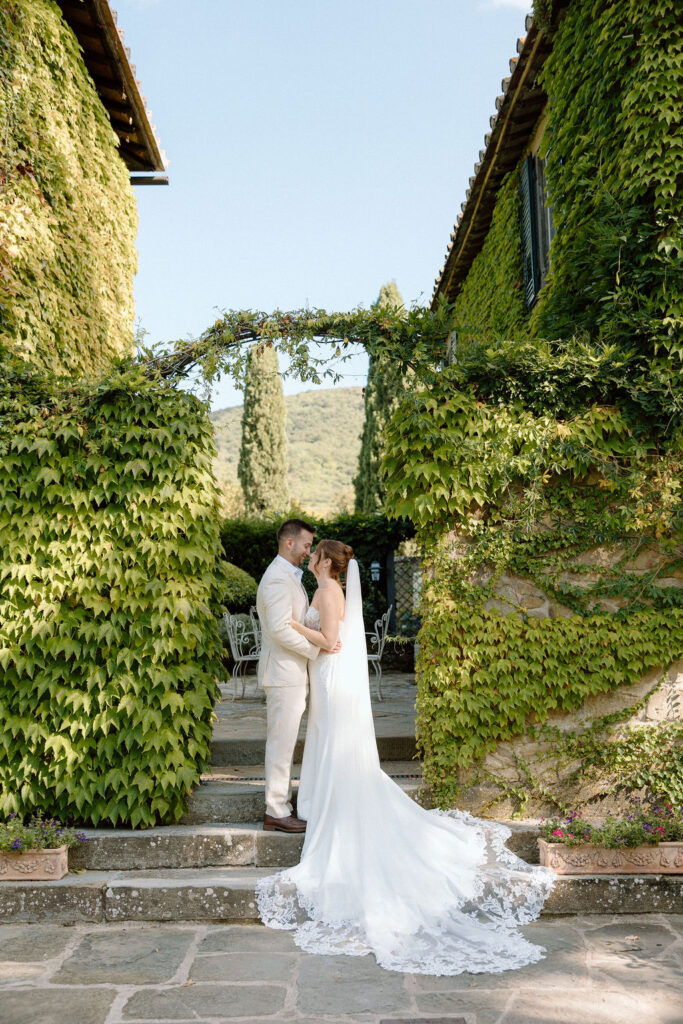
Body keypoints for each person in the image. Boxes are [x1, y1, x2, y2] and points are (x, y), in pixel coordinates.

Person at [256, 540, 555, 976]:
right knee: (326, 739)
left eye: (314, 554)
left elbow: (329, 640)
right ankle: (323, 801)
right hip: (325, 674)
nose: (310, 557)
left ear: (325, 562)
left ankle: (334, 803)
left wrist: (297, 628)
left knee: (332, 740)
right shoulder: (323, 590)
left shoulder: (327, 593)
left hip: (329, 675)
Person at [256, 519, 340, 834]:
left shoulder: (289, 575)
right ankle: (276, 810)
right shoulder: (278, 578)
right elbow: (279, 629)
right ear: (289, 543)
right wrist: (316, 650)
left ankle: (281, 806)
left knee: (285, 741)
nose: (309, 551)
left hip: (290, 672)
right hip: (282, 673)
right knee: (281, 743)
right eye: (306, 545)